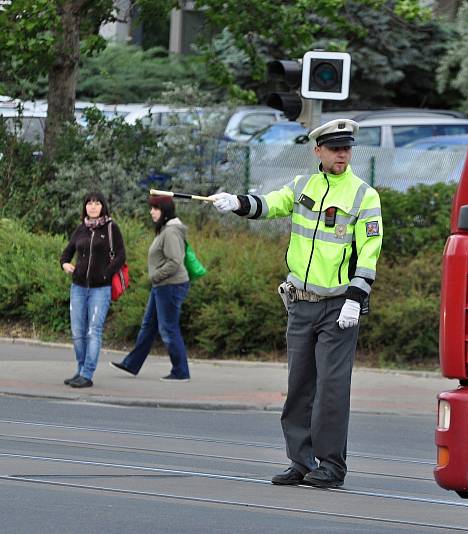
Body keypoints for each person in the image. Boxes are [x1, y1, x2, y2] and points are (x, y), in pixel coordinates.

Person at [209, 118, 383, 489]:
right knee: (299, 388)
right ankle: (300, 461)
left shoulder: (363, 195)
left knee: (332, 391)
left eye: (347, 149)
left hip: (339, 308)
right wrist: (237, 202)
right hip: (301, 304)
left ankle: (332, 465)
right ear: (317, 150)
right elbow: (270, 205)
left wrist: (356, 297)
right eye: (335, 149)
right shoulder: (302, 185)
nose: (342, 155)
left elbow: (370, 250)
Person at [109, 196, 191, 382]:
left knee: (168, 328)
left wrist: (155, 276)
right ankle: (131, 364)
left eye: (155, 208)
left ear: (165, 211)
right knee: (148, 327)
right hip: (162, 286)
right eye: (151, 208)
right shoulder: (165, 230)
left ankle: (181, 371)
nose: (151, 212)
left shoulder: (170, 232)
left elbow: (175, 261)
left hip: (170, 286)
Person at [60, 192, 126, 388]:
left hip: (100, 289)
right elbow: (66, 253)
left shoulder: (111, 228)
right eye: (89, 203)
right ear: (85, 207)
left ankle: (87, 374)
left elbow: (121, 256)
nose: (93, 207)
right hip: (78, 287)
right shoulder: (81, 229)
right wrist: (65, 264)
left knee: (93, 331)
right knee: (77, 332)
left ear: (103, 206)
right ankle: (80, 370)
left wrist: (106, 274)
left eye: (97, 203)